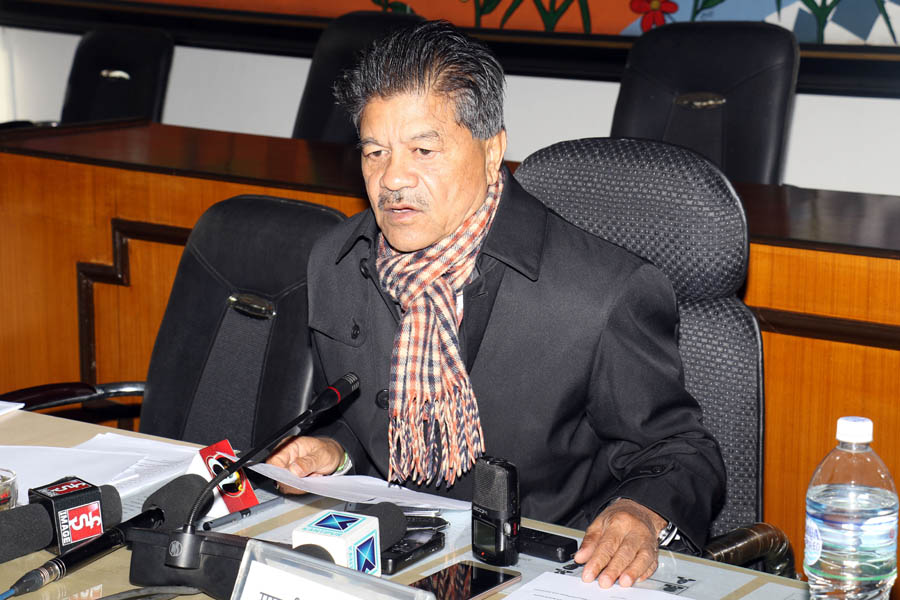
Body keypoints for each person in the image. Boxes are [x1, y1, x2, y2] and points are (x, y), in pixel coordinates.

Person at [268, 19, 725, 588]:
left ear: (492, 152)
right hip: (394, 561)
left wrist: (639, 512)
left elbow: (683, 451)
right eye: (375, 152)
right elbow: (362, 423)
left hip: (543, 573)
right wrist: (332, 451)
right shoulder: (336, 262)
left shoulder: (601, 291)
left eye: (423, 150)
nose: (393, 179)